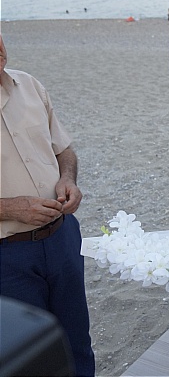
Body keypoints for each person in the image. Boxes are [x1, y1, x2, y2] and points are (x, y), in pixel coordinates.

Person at [0, 34, 95, 376]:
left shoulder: (29, 85)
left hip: (62, 239)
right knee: (30, 357)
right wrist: (10, 208)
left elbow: (63, 150)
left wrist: (68, 179)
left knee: (77, 343)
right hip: (8, 257)